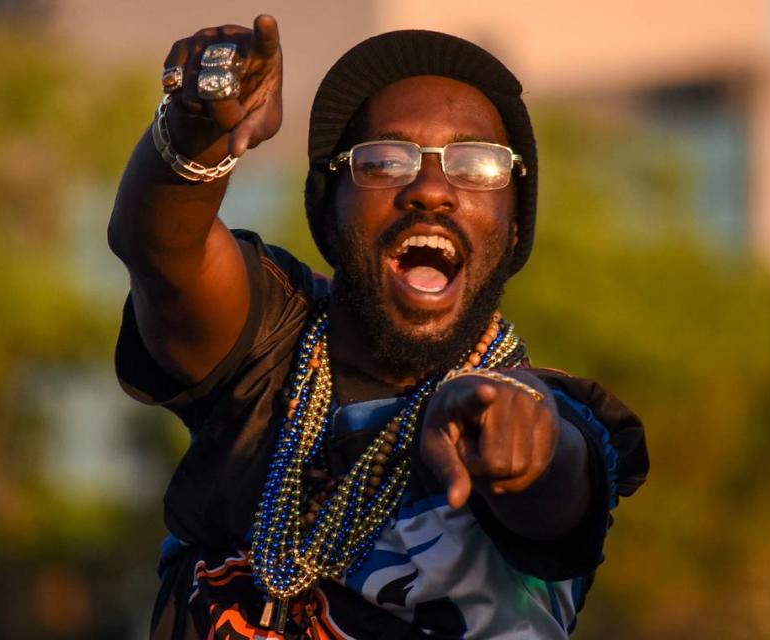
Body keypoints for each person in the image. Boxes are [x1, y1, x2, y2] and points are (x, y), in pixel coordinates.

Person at [109, 14, 648, 640]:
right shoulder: (269, 342)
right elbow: (161, 248)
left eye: (475, 166)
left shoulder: (543, 413)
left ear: (514, 227)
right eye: (385, 161)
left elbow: (557, 487)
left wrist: (522, 445)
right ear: (328, 213)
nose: (430, 190)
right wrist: (197, 125)